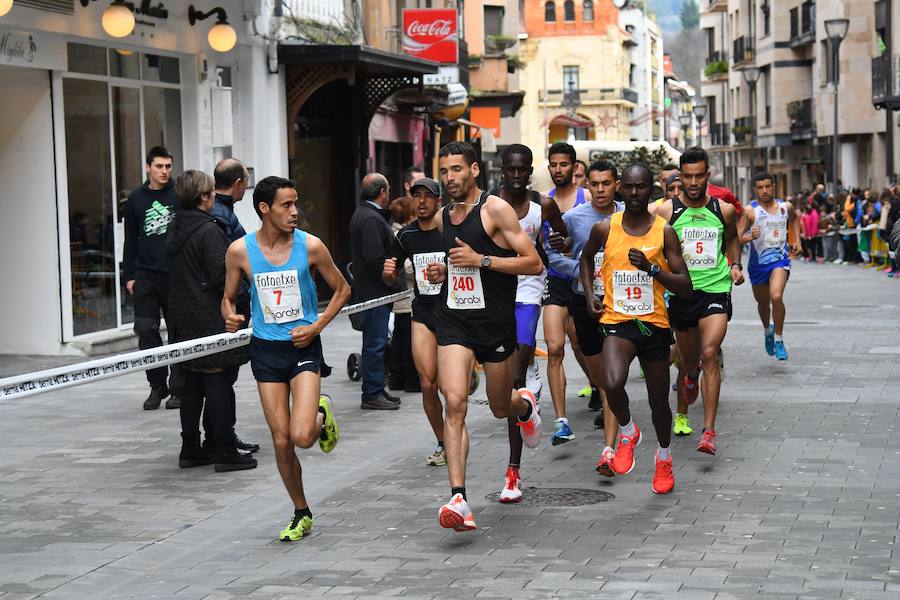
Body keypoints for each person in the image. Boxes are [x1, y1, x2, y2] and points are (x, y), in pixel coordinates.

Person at [221, 175, 350, 541]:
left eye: (296, 203)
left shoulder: (310, 247)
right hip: (265, 350)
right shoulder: (239, 252)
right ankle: (301, 511)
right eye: (286, 205)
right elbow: (227, 297)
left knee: (303, 436)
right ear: (264, 208)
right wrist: (229, 315)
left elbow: (342, 289)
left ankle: (320, 413)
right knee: (281, 441)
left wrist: (317, 326)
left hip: (303, 347)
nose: (295, 212)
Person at [427, 142, 543, 531]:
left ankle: (523, 407)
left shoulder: (495, 209)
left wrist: (482, 260)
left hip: (494, 325)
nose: (450, 178)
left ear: (474, 170)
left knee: (498, 406)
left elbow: (533, 262)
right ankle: (459, 498)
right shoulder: (444, 217)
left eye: (457, 169)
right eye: (445, 171)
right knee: (455, 402)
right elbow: (456, 262)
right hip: (454, 321)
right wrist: (445, 272)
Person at [580, 163, 693, 495]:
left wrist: (653, 269)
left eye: (640, 187)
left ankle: (663, 457)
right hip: (617, 321)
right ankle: (627, 431)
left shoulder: (664, 232)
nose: (633, 194)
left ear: (649, 190)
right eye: (627, 187)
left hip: (654, 325)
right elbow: (586, 259)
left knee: (659, 403)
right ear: (619, 188)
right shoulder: (605, 228)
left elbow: (685, 286)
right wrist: (589, 295)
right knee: (611, 382)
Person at [653, 147, 744, 455]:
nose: (693, 183)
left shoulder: (723, 210)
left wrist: (734, 265)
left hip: (715, 289)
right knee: (690, 362)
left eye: (698, 176)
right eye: (687, 176)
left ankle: (708, 430)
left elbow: (732, 238)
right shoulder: (667, 211)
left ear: (708, 175)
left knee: (710, 353)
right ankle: (690, 376)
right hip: (682, 294)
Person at [166, 170, 257, 472]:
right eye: (209, 193)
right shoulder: (209, 230)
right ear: (203, 197)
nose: (213, 197)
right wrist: (239, 299)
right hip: (209, 317)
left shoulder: (175, 226)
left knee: (192, 383)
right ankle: (224, 449)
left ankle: (190, 446)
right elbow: (223, 275)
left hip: (182, 316)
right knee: (218, 382)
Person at [493, 143, 567, 500]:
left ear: (530, 169)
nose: (518, 176)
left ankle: (513, 473)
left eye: (524, 169)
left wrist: (559, 239)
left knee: (519, 363)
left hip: (530, 287)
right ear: (502, 169)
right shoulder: (488, 203)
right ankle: (528, 407)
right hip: (494, 291)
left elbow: (560, 234)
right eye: (512, 169)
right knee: (507, 378)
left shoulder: (543, 204)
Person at [547, 160, 622, 475]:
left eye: (607, 183)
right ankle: (619, 431)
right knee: (603, 381)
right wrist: (582, 271)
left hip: (620, 307)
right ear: (587, 186)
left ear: (616, 184)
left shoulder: (627, 216)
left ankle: (609, 450)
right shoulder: (574, 219)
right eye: (595, 184)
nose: (601, 189)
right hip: (585, 302)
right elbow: (550, 252)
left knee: (613, 378)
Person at [383, 177, 447, 466]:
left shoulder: (450, 232)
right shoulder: (406, 237)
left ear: (438, 200)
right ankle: (444, 441)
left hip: (453, 313)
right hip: (422, 312)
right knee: (427, 383)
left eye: (427, 196)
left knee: (450, 387)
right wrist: (388, 272)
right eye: (416, 196)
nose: (421, 201)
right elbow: (391, 270)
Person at [543, 143, 599, 433]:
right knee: (554, 348)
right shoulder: (543, 202)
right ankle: (561, 420)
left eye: (563, 164)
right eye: (553, 164)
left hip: (584, 282)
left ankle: (598, 385)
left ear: (574, 166)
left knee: (579, 343)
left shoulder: (586, 197)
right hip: (554, 278)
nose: (558, 170)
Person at [206, 158, 258, 455]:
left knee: (223, 376)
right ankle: (221, 437)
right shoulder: (222, 217)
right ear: (238, 183)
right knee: (223, 376)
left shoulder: (221, 212)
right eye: (246, 182)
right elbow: (231, 265)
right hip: (227, 307)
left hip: (226, 303)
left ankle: (220, 434)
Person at [123, 146, 179, 411]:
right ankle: (158, 385)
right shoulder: (135, 198)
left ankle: (179, 388)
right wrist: (129, 276)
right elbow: (130, 239)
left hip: (175, 275)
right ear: (148, 167)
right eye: (159, 166)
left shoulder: (179, 193)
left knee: (179, 331)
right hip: (145, 275)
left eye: (168, 166)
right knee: (146, 330)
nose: (164, 171)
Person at [348, 173, 405, 410]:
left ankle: (377, 389)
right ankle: (372, 393)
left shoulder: (366, 215)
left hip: (374, 292)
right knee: (375, 343)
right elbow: (374, 258)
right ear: (382, 192)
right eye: (388, 190)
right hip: (374, 294)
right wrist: (390, 278)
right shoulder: (370, 218)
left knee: (376, 341)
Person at [738, 172, 800, 361]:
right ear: (755, 189)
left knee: (776, 296)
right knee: (763, 303)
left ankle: (779, 339)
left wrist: (797, 240)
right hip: (758, 266)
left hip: (780, 261)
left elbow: (795, 219)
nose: (764, 191)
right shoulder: (750, 211)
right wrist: (750, 236)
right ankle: (768, 331)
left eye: (768, 186)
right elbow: (737, 238)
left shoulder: (785, 207)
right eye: (760, 187)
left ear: (774, 186)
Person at [386, 196, 419, 393]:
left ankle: (397, 378)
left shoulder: (395, 231)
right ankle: (411, 380)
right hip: (406, 298)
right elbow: (406, 267)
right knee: (407, 340)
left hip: (401, 298)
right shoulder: (401, 234)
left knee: (400, 338)